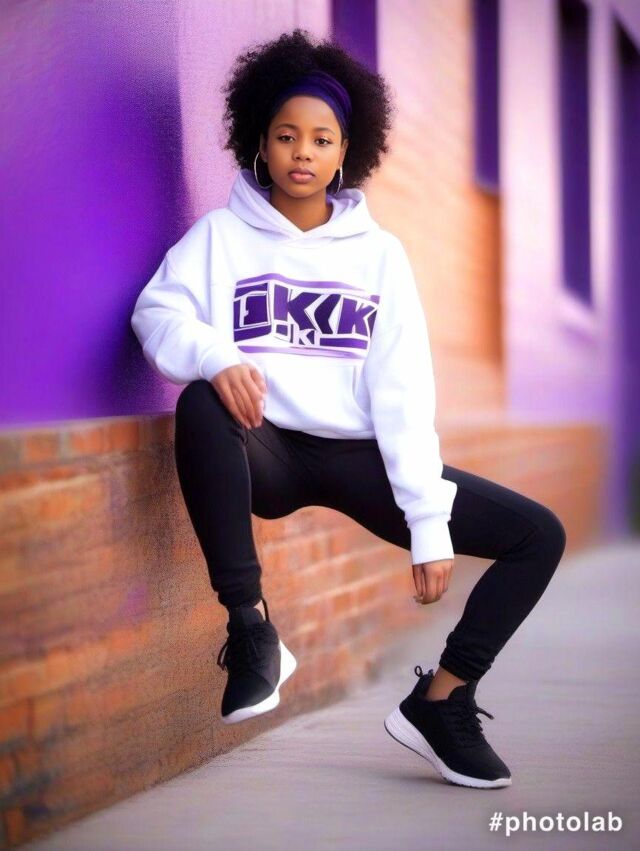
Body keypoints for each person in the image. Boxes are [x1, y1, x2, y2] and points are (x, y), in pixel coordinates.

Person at [130, 29, 566, 789]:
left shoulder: (379, 255)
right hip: (264, 444)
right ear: (260, 142)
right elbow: (156, 311)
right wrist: (217, 355)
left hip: (359, 457)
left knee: (538, 535)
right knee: (201, 400)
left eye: (321, 139)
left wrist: (427, 522)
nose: (302, 152)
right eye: (286, 135)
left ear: (344, 154)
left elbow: (402, 390)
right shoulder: (220, 238)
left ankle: (442, 701)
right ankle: (252, 629)